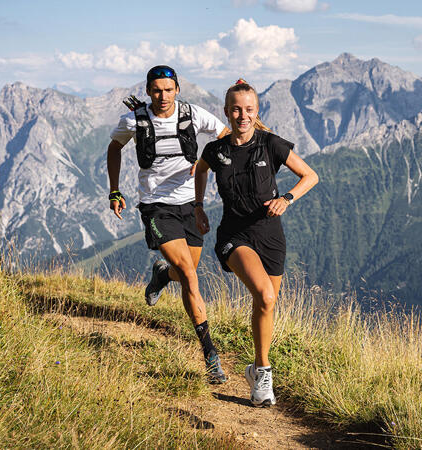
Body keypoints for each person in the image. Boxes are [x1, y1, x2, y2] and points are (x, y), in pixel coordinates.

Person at [194, 79, 318, 406]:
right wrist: (197, 207)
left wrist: (287, 198)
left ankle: (254, 367)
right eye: (236, 109)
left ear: (256, 111)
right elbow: (201, 170)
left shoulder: (271, 144)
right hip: (234, 235)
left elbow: (311, 176)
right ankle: (264, 372)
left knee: (266, 304)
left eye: (248, 109)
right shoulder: (215, 150)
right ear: (226, 112)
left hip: (271, 236)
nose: (242, 115)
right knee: (263, 293)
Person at [106, 65, 230, 383]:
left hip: (191, 206)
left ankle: (162, 275)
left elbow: (226, 137)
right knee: (189, 276)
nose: (163, 96)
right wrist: (115, 190)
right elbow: (114, 148)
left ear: (177, 90)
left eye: (168, 89)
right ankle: (210, 356)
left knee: (185, 271)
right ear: (148, 91)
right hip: (156, 207)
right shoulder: (134, 119)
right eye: (157, 90)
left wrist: (205, 162)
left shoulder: (193, 114)